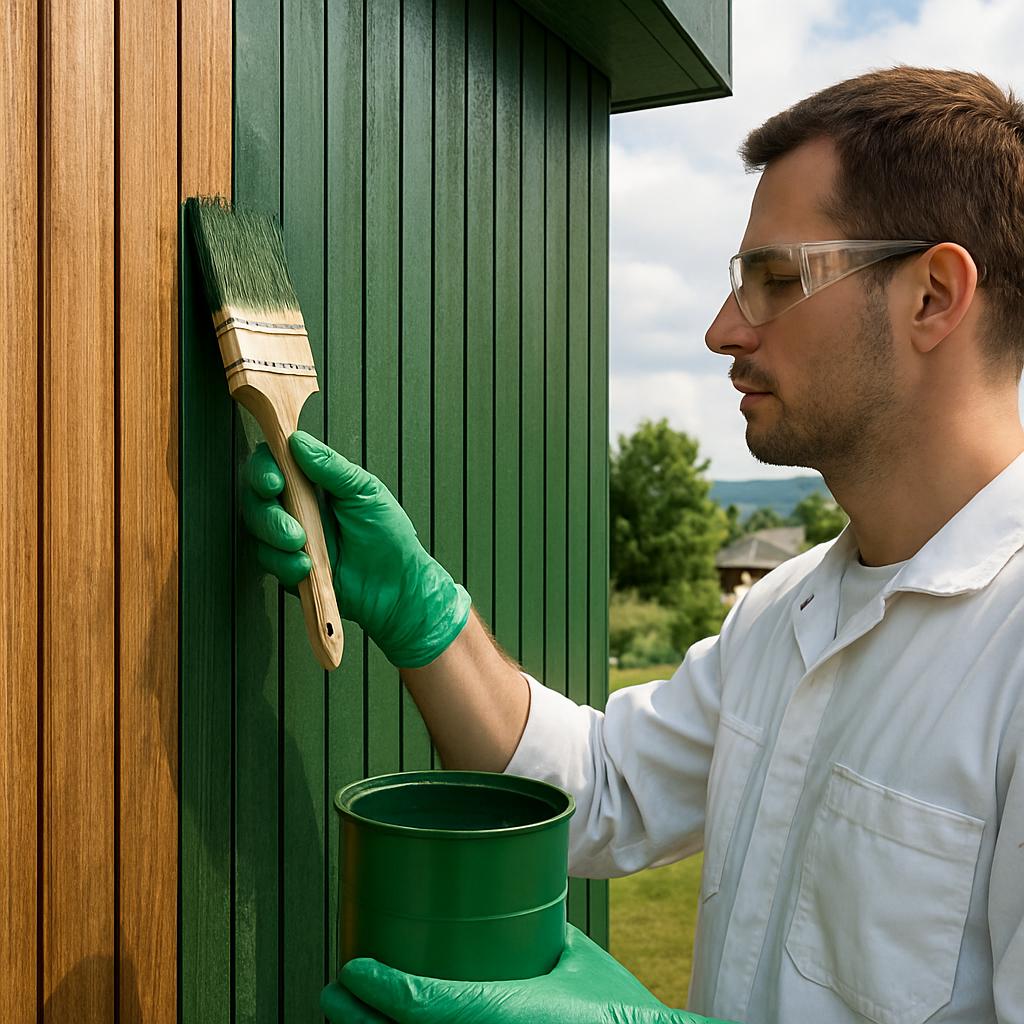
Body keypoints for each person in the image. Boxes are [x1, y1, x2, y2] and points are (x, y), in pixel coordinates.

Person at [240, 66, 1024, 1024]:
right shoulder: (785, 611)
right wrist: (422, 611)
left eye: (777, 279)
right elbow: (603, 790)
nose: (722, 329)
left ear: (935, 296)